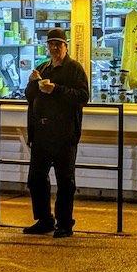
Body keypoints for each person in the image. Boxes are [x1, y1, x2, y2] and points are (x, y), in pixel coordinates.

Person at [24, 27, 90, 238]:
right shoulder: (43, 68)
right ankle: (44, 219)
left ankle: (64, 223)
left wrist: (56, 89)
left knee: (65, 181)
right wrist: (33, 82)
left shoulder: (74, 69)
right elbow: (29, 96)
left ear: (66, 46)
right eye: (51, 44)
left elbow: (83, 96)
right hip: (41, 133)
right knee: (36, 178)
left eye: (58, 44)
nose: (54, 48)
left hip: (64, 133)